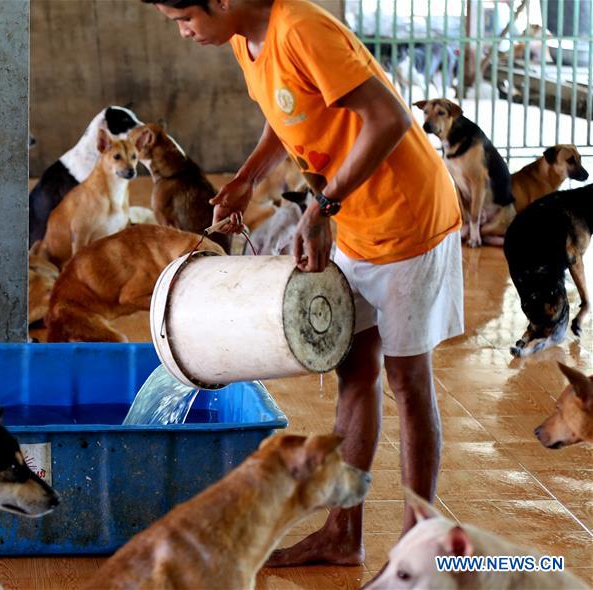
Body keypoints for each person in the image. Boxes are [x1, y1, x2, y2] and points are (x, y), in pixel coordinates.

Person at [142, 0, 464, 568]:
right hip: (353, 221)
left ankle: (422, 545)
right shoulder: (247, 40)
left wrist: (322, 205)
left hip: (405, 218)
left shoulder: (302, 28)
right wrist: (246, 178)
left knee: (407, 381)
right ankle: (344, 534)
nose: (185, 32)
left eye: (184, 18)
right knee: (354, 369)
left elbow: (389, 119)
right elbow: (287, 112)